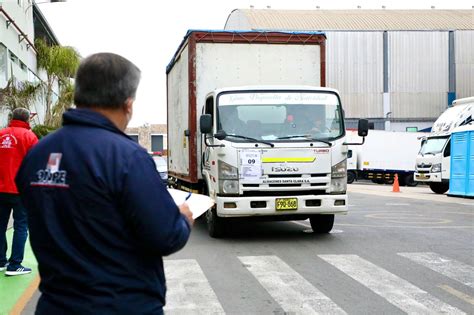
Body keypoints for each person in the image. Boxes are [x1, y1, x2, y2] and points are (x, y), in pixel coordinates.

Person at [16, 53, 193, 314]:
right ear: (128, 104)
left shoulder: (38, 154)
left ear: (79, 95)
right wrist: (182, 219)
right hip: (123, 306)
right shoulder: (127, 158)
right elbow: (165, 237)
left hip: (55, 305)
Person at [0, 107, 38, 276]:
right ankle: (15, 265)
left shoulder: (1, 134)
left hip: (0, 189)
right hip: (20, 190)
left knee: (0, 226)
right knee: (21, 226)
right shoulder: (29, 137)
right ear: (27, 120)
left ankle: (1, 261)